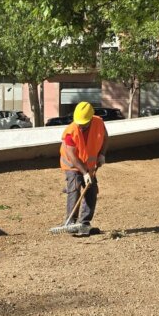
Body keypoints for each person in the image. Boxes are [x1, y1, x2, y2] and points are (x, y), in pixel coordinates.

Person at [55, 101, 108, 236]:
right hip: (72, 165)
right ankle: (71, 222)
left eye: (84, 123)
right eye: (79, 122)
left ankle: (84, 223)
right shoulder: (70, 132)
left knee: (91, 190)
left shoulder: (99, 123)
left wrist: (102, 154)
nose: (81, 125)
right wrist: (84, 172)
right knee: (74, 189)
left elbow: (105, 138)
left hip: (89, 165)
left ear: (91, 118)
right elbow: (72, 155)